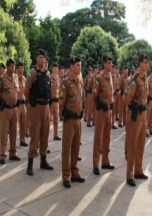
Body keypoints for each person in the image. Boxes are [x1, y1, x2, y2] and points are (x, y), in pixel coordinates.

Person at [25, 49, 54, 176]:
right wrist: (30, 104)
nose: (42, 60)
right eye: (41, 57)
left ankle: (43, 161)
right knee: (34, 135)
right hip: (36, 106)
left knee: (45, 134)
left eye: (44, 58)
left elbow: (50, 90)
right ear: (37, 58)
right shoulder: (33, 72)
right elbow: (26, 89)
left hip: (46, 107)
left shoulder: (48, 74)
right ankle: (30, 164)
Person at [60, 56, 85, 188]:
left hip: (78, 119)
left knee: (76, 147)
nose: (79, 67)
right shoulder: (66, 82)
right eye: (77, 65)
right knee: (67, 148)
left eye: (80, 65)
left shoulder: (80, 80)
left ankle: (75, 172)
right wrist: (64, 113)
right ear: (71, 67)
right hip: (69, 119)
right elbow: (61, 102)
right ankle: (65, 175)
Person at [126, 54, 149, 187]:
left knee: (141, 144)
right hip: (136, 114)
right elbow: (129, 97)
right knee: (133, 145)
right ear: (140, 63)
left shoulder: (145, 78)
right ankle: (129, 174)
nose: (147, 64)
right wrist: (132, 109)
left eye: (147, 63)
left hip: (144, 113)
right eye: (145, 62)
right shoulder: (136, 79)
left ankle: (138, 170)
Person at [92, 55, 115, 176]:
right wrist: (100, 104)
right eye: (109, 63)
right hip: (101, 111)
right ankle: (95, 164)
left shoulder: (111, 76)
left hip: (109, 111)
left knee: (107, 137)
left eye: (111, 63)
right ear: (104, 64)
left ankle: (105, 161)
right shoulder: (99, 78)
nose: (111, 65)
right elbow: (94, 96)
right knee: (98, 138)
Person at [0, 58, 21, 164]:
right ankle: (2, 155)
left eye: (14, 66)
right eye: (11, 66)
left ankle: (13, 153)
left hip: (14, 109)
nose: (13, 67)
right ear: (7, 66)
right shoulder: (1, 78)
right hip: (5, 109)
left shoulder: (15, 77)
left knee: (14, 132)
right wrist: (1, 102)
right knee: (4, 133)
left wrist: (18, 100)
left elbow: (17, 91)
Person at [16, 62, 28, 147]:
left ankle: (22, 140)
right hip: (16, 104)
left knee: (23, 123)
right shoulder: (14, 78)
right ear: (17, 69)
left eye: (23, 68)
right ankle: (12, 142)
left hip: (23, 104)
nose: (22, 69)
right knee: (14, 125)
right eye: (20, 67)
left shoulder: (24, 78)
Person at [50, 63, 61, 141]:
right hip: (50, 102)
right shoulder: (49, 78)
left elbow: (59, 90)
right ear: (52, 69)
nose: (56, 69)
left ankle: (56, 134)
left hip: (56, 102)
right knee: (47, 121)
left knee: (56, 120)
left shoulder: (58, 78)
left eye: (57, 68)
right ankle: (45, 136)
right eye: (55, 68)